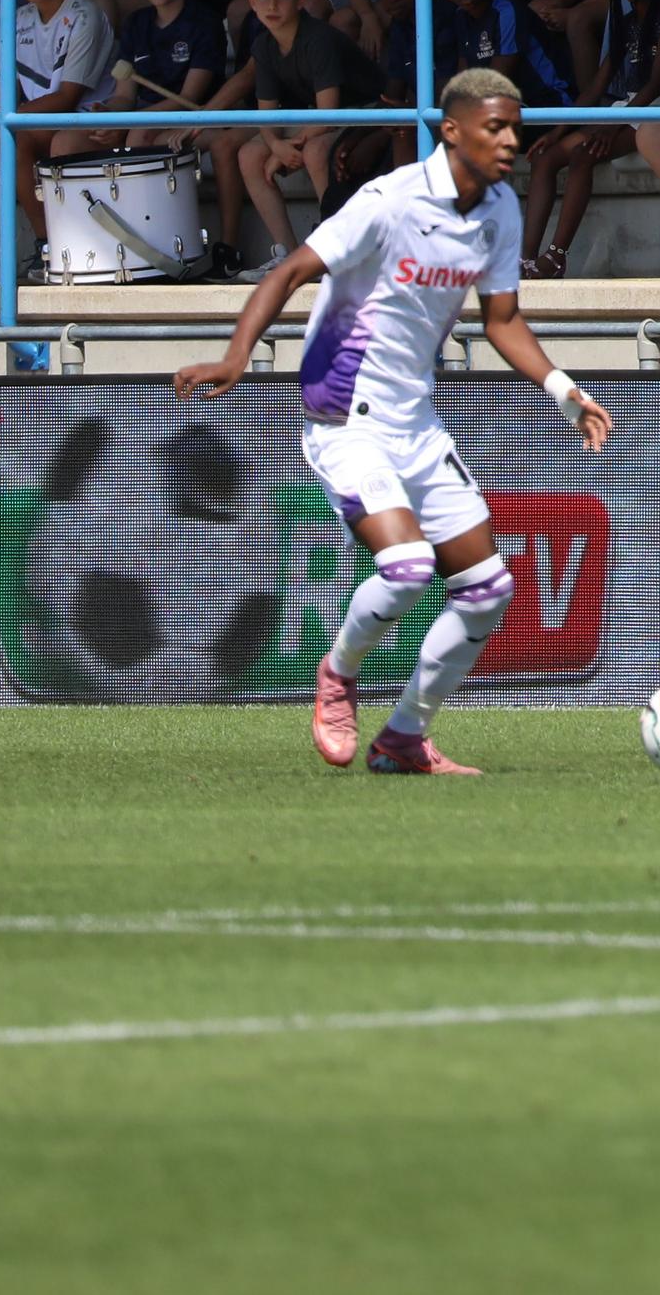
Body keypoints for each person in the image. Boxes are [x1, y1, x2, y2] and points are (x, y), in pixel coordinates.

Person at [170, 67, 612, 773]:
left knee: (488, 590)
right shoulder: (389, 201)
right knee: (407, 569)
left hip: (416, 423)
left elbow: (502, 320)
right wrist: (236, 357)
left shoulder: (499, 210)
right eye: (495, 127)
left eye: (515, 128)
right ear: (452, 130)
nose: (510, 141)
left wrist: (564, 391)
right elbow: (289, 272)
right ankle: (338, 675)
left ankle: (404, 735)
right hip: (344, 417)